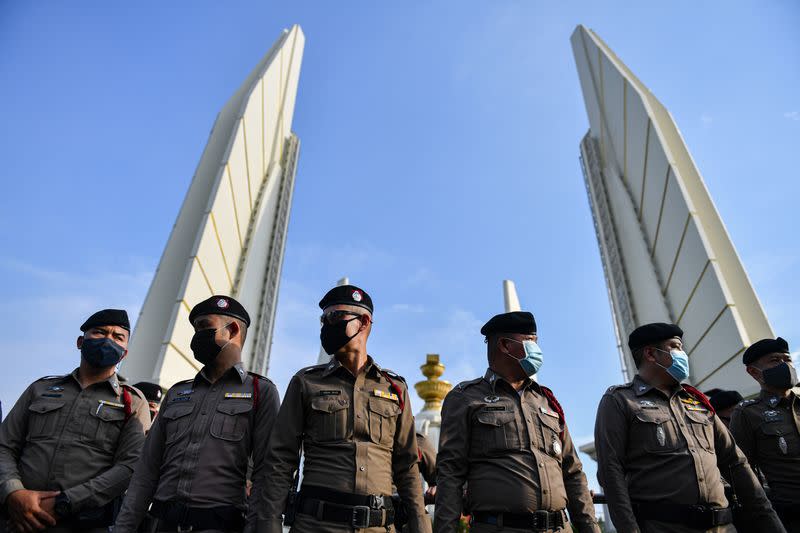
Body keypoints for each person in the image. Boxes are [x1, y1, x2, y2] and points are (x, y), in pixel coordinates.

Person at [256, 284, 430, 532]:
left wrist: (421, 526)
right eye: (323, 319)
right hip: (316, 526)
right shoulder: (306, 382)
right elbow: (280, 460)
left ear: (364, 322)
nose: (327, 325)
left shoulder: (395, 389)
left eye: (335, 317)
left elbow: (407, 466)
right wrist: (269, 524)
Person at [594, 322, 784, 532]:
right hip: (664, 527)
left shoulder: (698, 402)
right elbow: (611, 473)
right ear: (650, 354)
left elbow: (735, 463)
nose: (682, 354)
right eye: (675, 347)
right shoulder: (620, 400)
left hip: (723, 526)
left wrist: (772, 525)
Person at [114, 295, 279, 533]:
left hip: (220, 524)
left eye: (204, 326)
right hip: (162, 523)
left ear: (232, 330)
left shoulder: (260, 391)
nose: (196, 336)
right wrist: (124, 528)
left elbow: (266, 475)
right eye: (194, 328)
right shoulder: (178, 393)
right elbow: (146, 470)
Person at [435, 311, 599, 533]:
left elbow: (572, 472)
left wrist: (590, 529)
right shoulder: (466, 398)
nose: (537, 350)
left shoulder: (547, 400)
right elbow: (450, 473)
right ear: (504, 345)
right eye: (530, 342)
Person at [0, 309, 150, 532]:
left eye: (118, 337)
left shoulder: (132, 402)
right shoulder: (41, 389)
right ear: (81, 342)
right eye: (99, 332)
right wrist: (14, 492)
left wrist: (64, 503)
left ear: (124, 353)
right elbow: (5, 445)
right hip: (17, 518)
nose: (108, 339)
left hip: (81, 523)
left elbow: (130, 467)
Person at [729, 337, 800, 532]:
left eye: (788, 359)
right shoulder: (747, 413)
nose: (785, 365)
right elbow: (742, 470)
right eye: (775, 360)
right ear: (754, 372)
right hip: (789, 517)